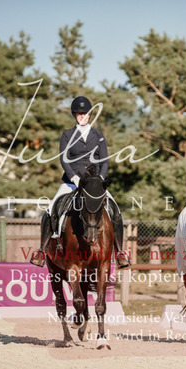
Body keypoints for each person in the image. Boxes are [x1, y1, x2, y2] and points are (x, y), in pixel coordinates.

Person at [30, 96, 130, 269]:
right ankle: (42, 250)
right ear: (74, 115)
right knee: (51, 209)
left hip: (95, 183)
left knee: (116, 210)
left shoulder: (98, 135)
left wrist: (100, 178)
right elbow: (64, 159)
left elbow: (104, 160)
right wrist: (74, 177)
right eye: (79, 113)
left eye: (85, 113)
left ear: (90, 115)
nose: (82, 116)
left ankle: (120, 252)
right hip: (72, 181)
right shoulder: (67, 135)